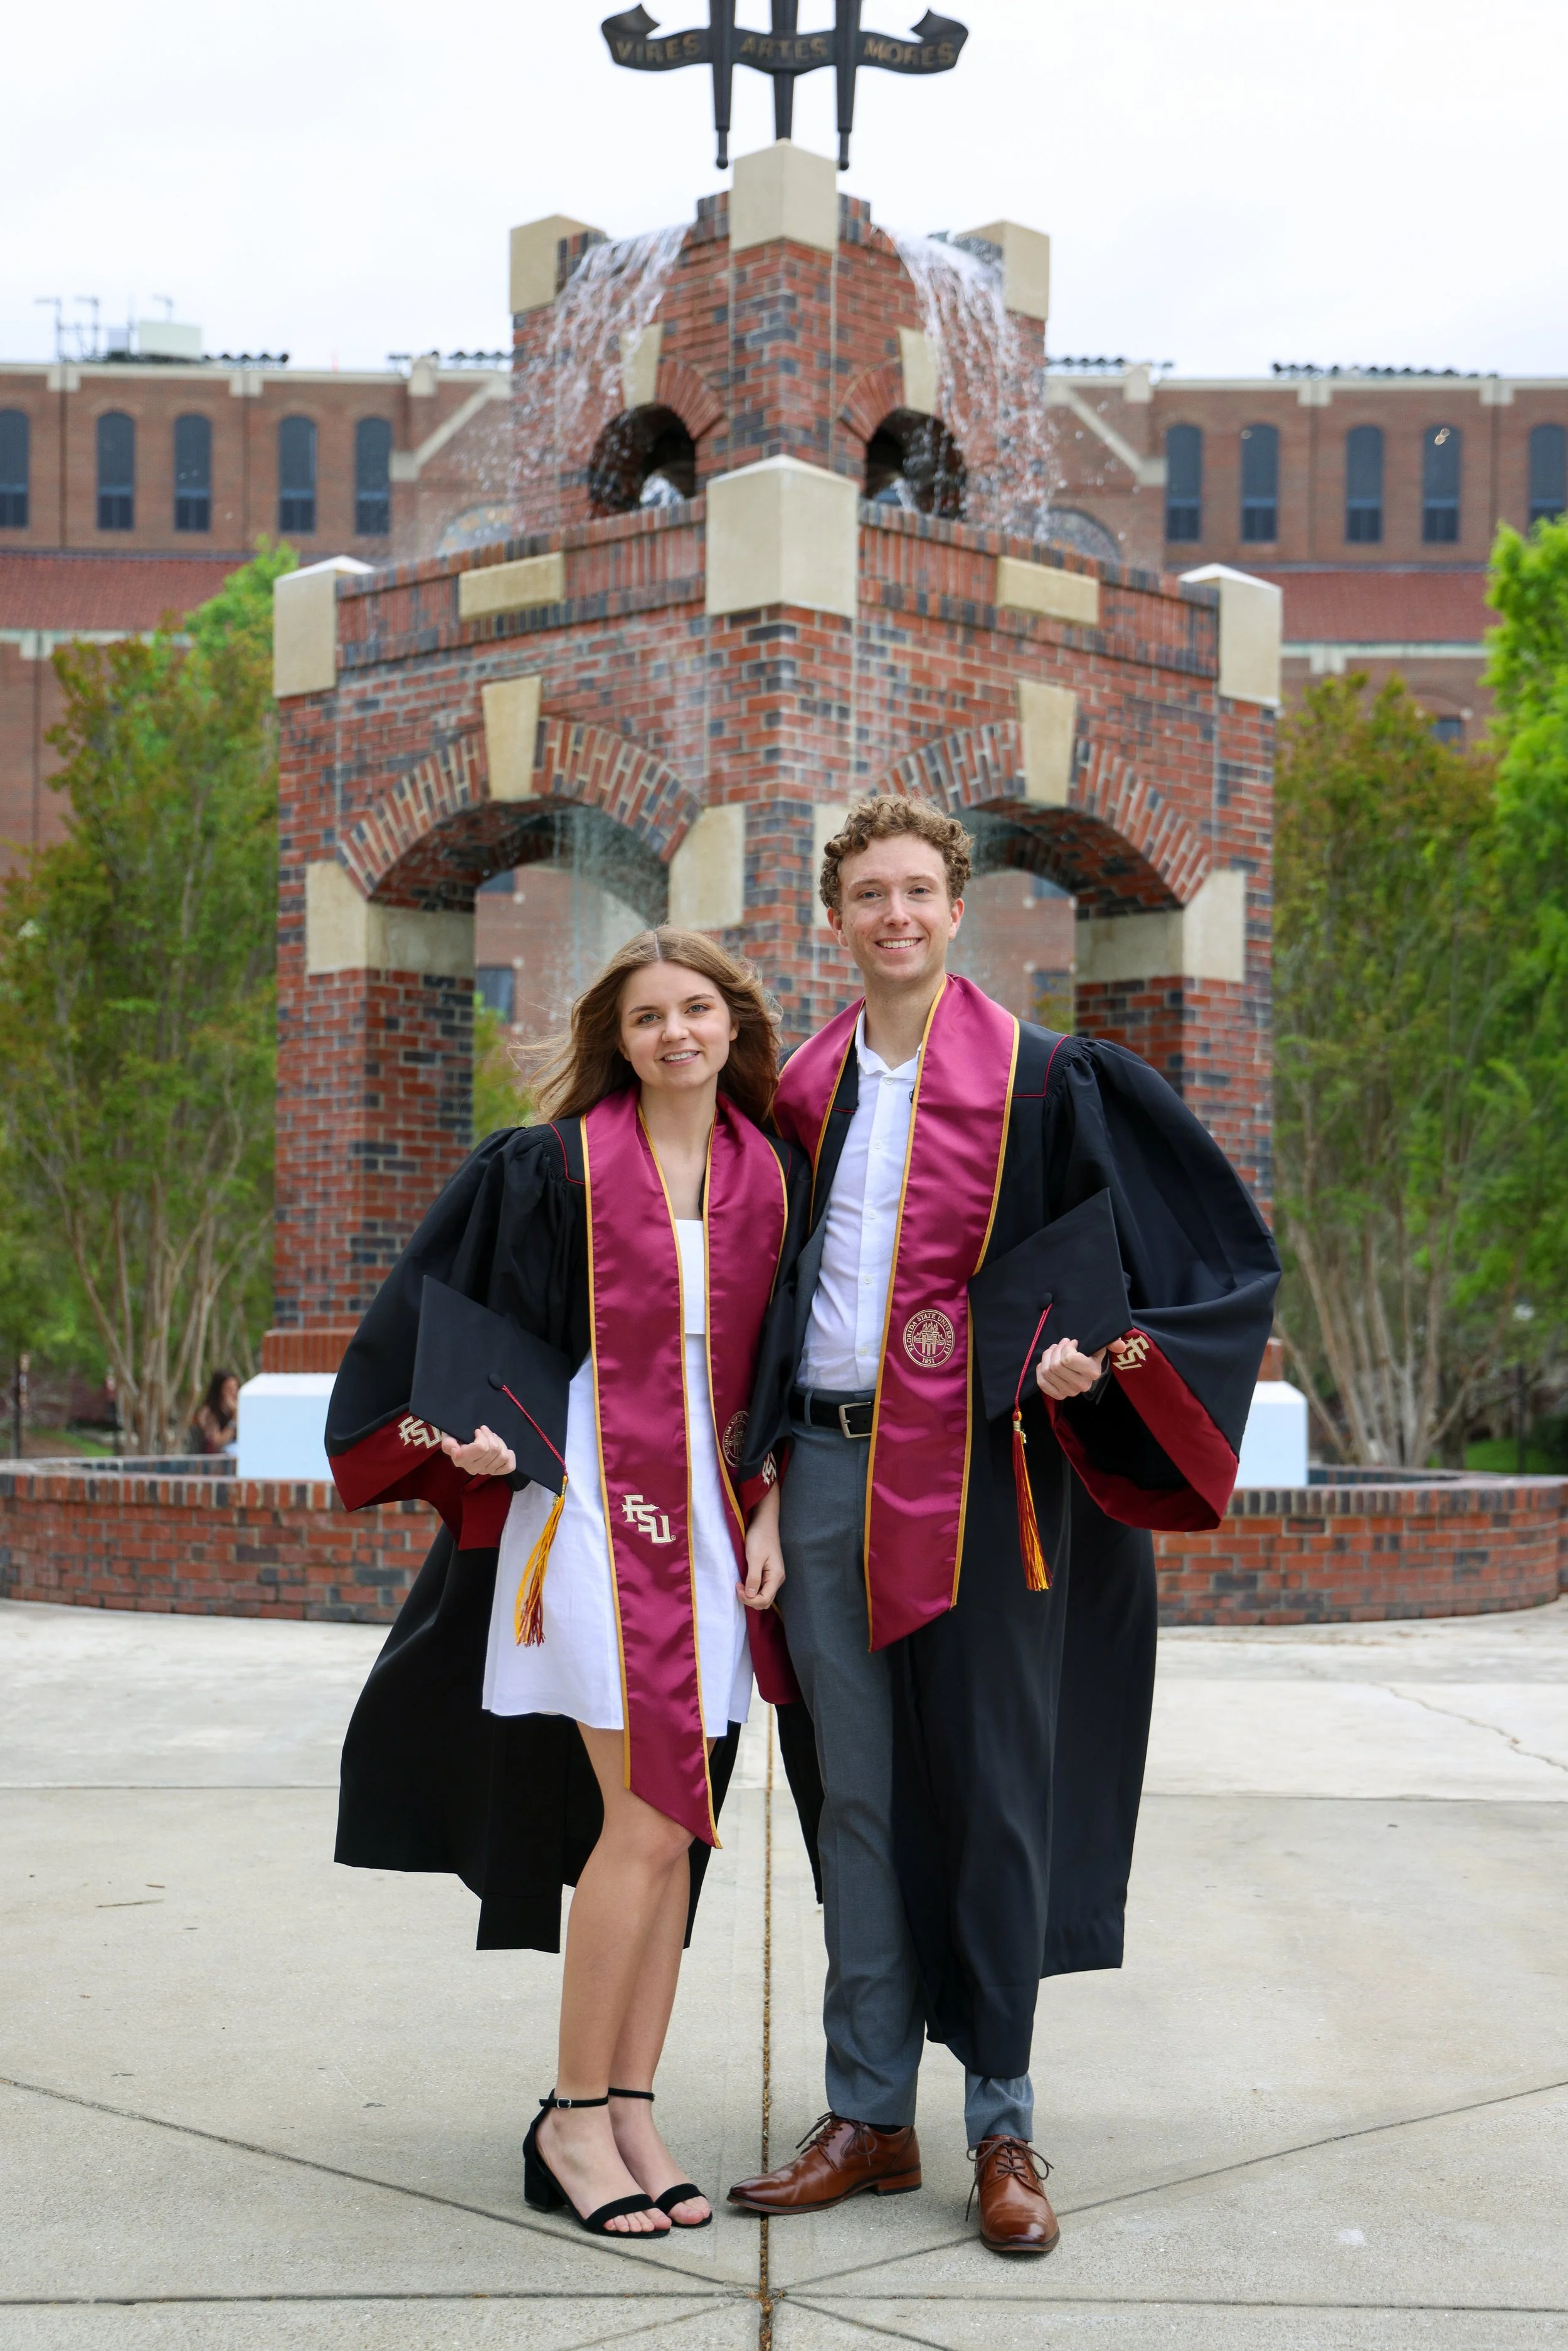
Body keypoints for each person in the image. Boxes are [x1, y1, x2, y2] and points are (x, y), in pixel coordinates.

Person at [728, 796, 1279, 2255]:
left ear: (956, 906)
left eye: (919, 891)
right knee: (853, 1791)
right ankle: (867, 2111)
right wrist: (766, 1477)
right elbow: (764, 1312)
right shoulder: (797, 1091)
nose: (896, 916)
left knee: (990, 1787)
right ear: (833, 918)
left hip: (988, 1480)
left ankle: (1004, 2121)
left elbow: (1149, 1258)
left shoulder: (1044, 1083)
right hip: (829, 1472)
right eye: (869, 895)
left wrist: (1086, 1357)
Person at [327, 929, 809, 2240]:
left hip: (711, 1525)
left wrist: (770, 1504)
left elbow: (773, 1374)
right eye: (648, 1014)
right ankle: (568, 2112)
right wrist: (463, 1429)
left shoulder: (767, 1173)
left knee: (682, 1826)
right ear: (618, 1034)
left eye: (696, 1008)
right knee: (647, 1817)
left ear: (731, 1025)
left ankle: (633, 2105)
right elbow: (436, 1323)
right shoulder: (545, 1169)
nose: (675, 1032)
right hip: (593, 1511)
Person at [189, 1370, 238, 1454]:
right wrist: (234, 1420)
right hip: (217, 1459)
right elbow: (217, 1443)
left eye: (235, 1389)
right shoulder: (208, 1412)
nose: (233, 1393)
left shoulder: (237, 1408)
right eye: (228, 1389)